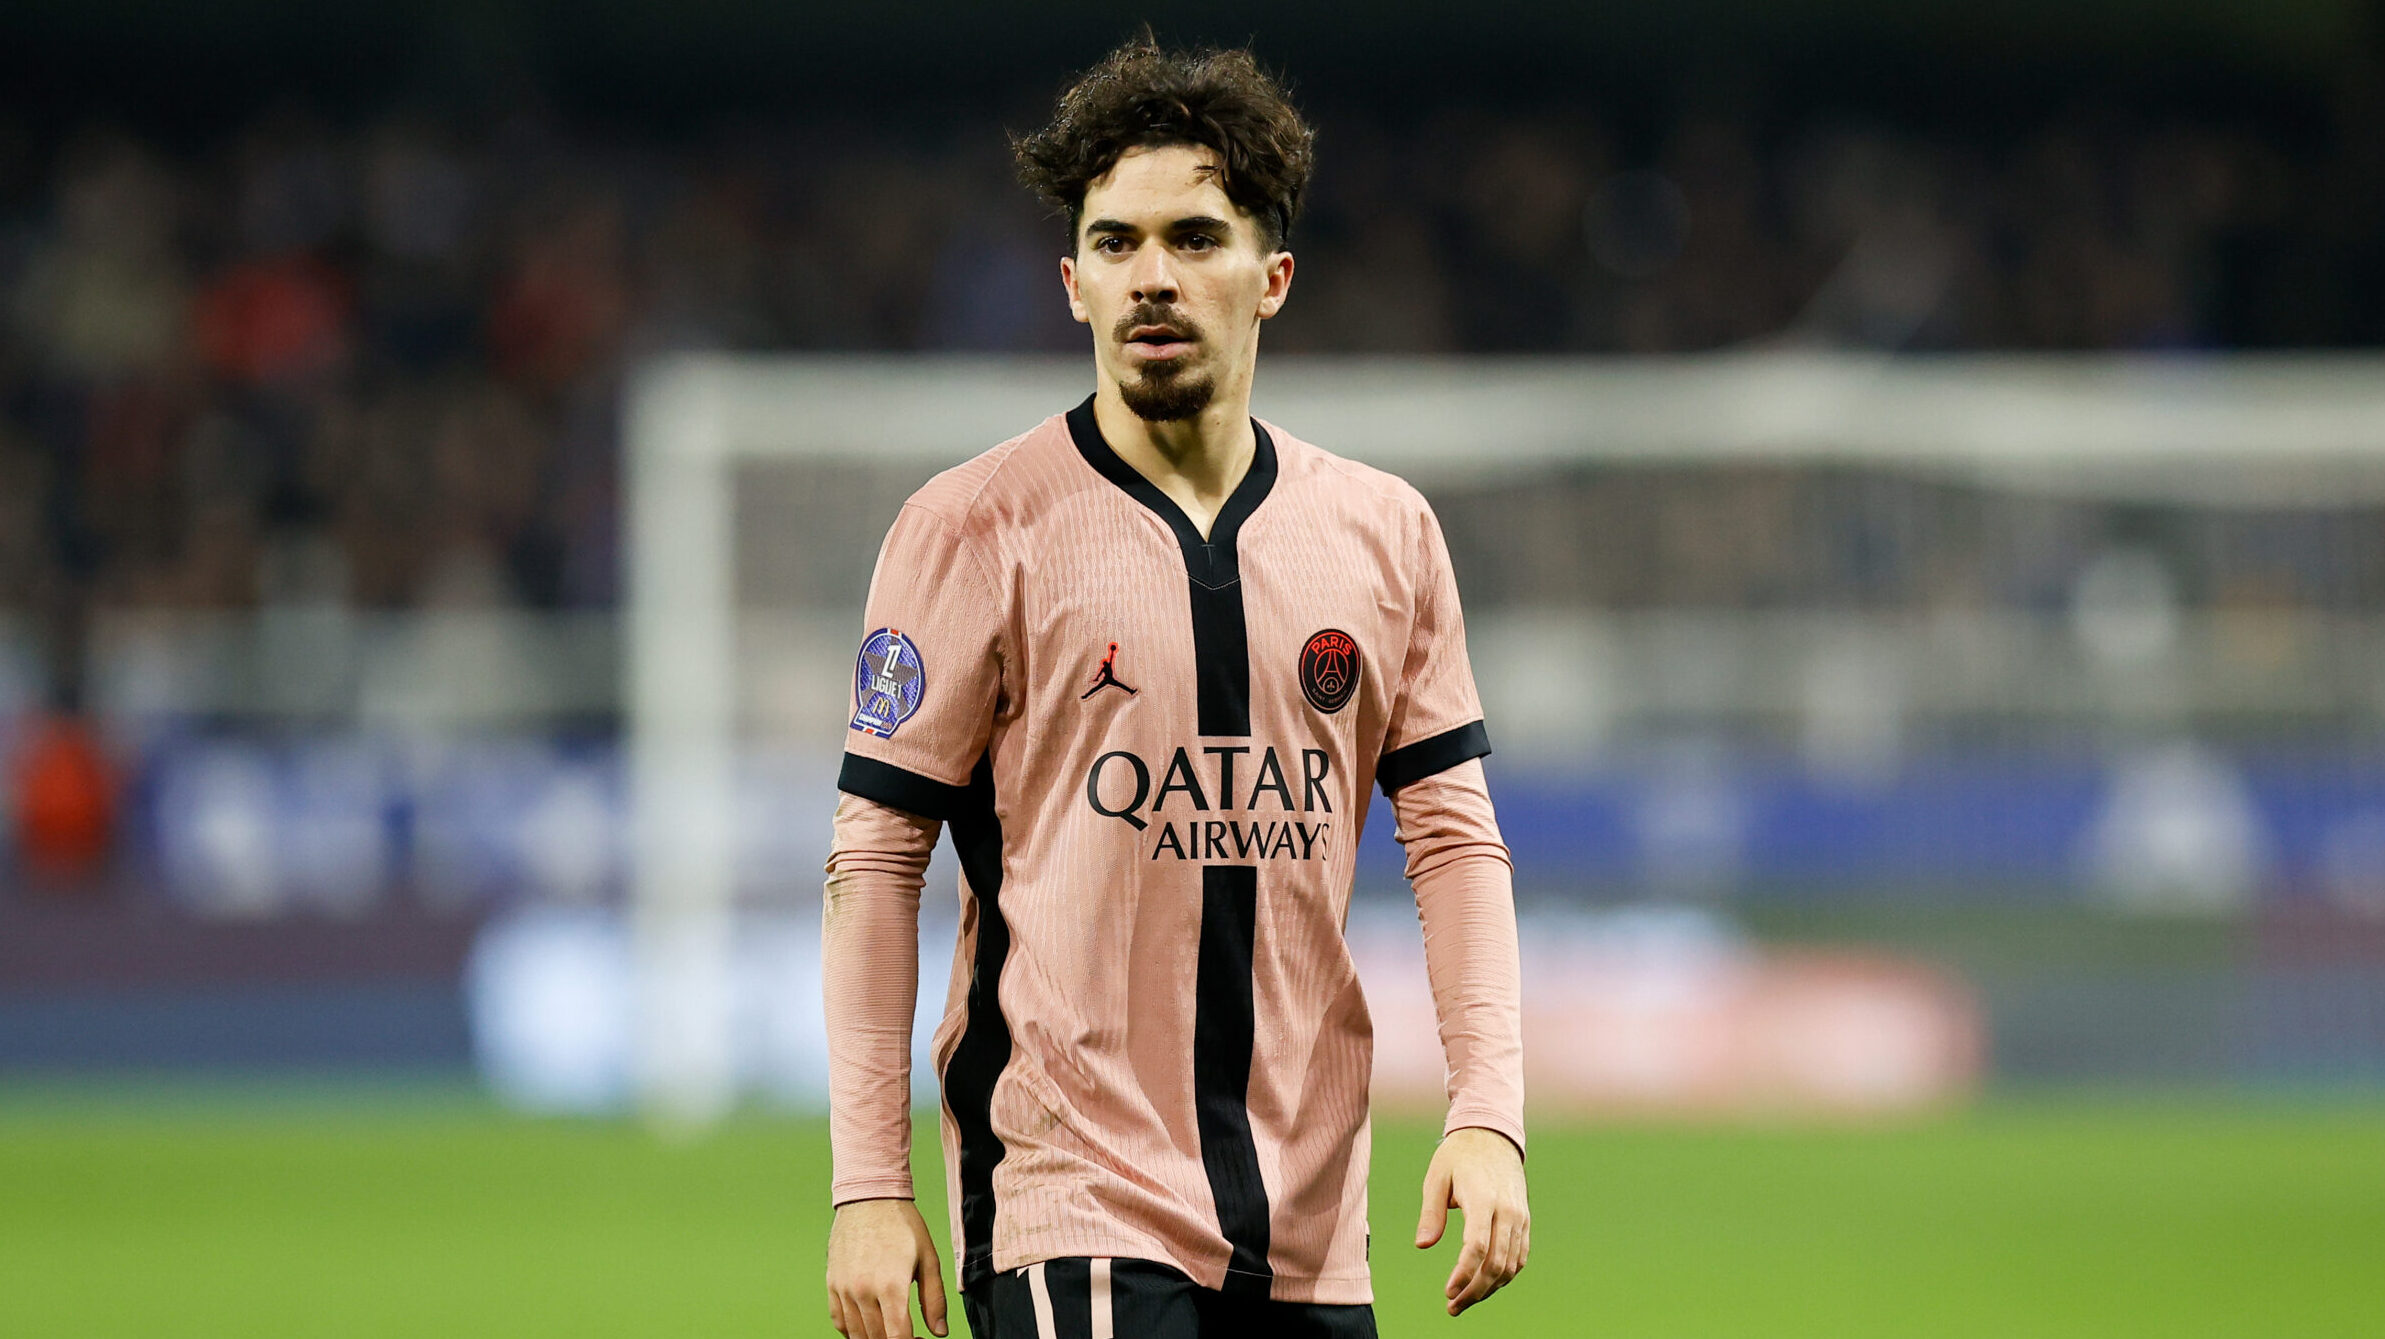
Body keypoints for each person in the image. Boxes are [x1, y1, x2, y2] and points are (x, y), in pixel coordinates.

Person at [822, 35, 1527, 1339]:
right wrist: (867, 1185)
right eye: (1116, 242)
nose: (1152, 275)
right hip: (1071, 1210)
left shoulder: (1384, 534)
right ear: (1072, 282)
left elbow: (1452, 836)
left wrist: (1487, 1116)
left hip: (1314, 1234)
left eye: (1194, 238)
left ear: (1271, 278)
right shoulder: (973, 529)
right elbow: (875, 857)